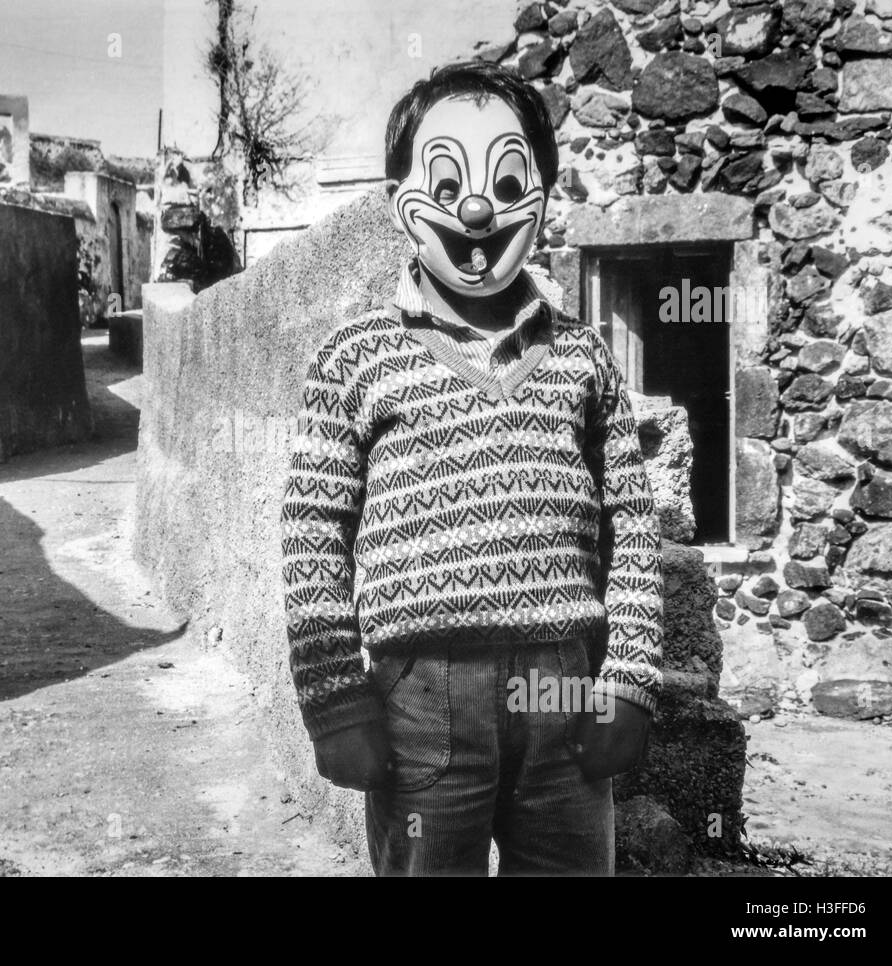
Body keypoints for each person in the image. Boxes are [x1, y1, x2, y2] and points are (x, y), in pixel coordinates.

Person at [279, 60, 664, 876]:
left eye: (508, 180)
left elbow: (631, 525)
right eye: (446, 182)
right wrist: (333, 700)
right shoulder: (354, 360)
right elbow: (313, 535)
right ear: (398, 203)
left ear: (544, 197)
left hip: (563, 687)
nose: (478, 209)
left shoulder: (583, 359)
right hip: (420, 698)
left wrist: (629, 678)